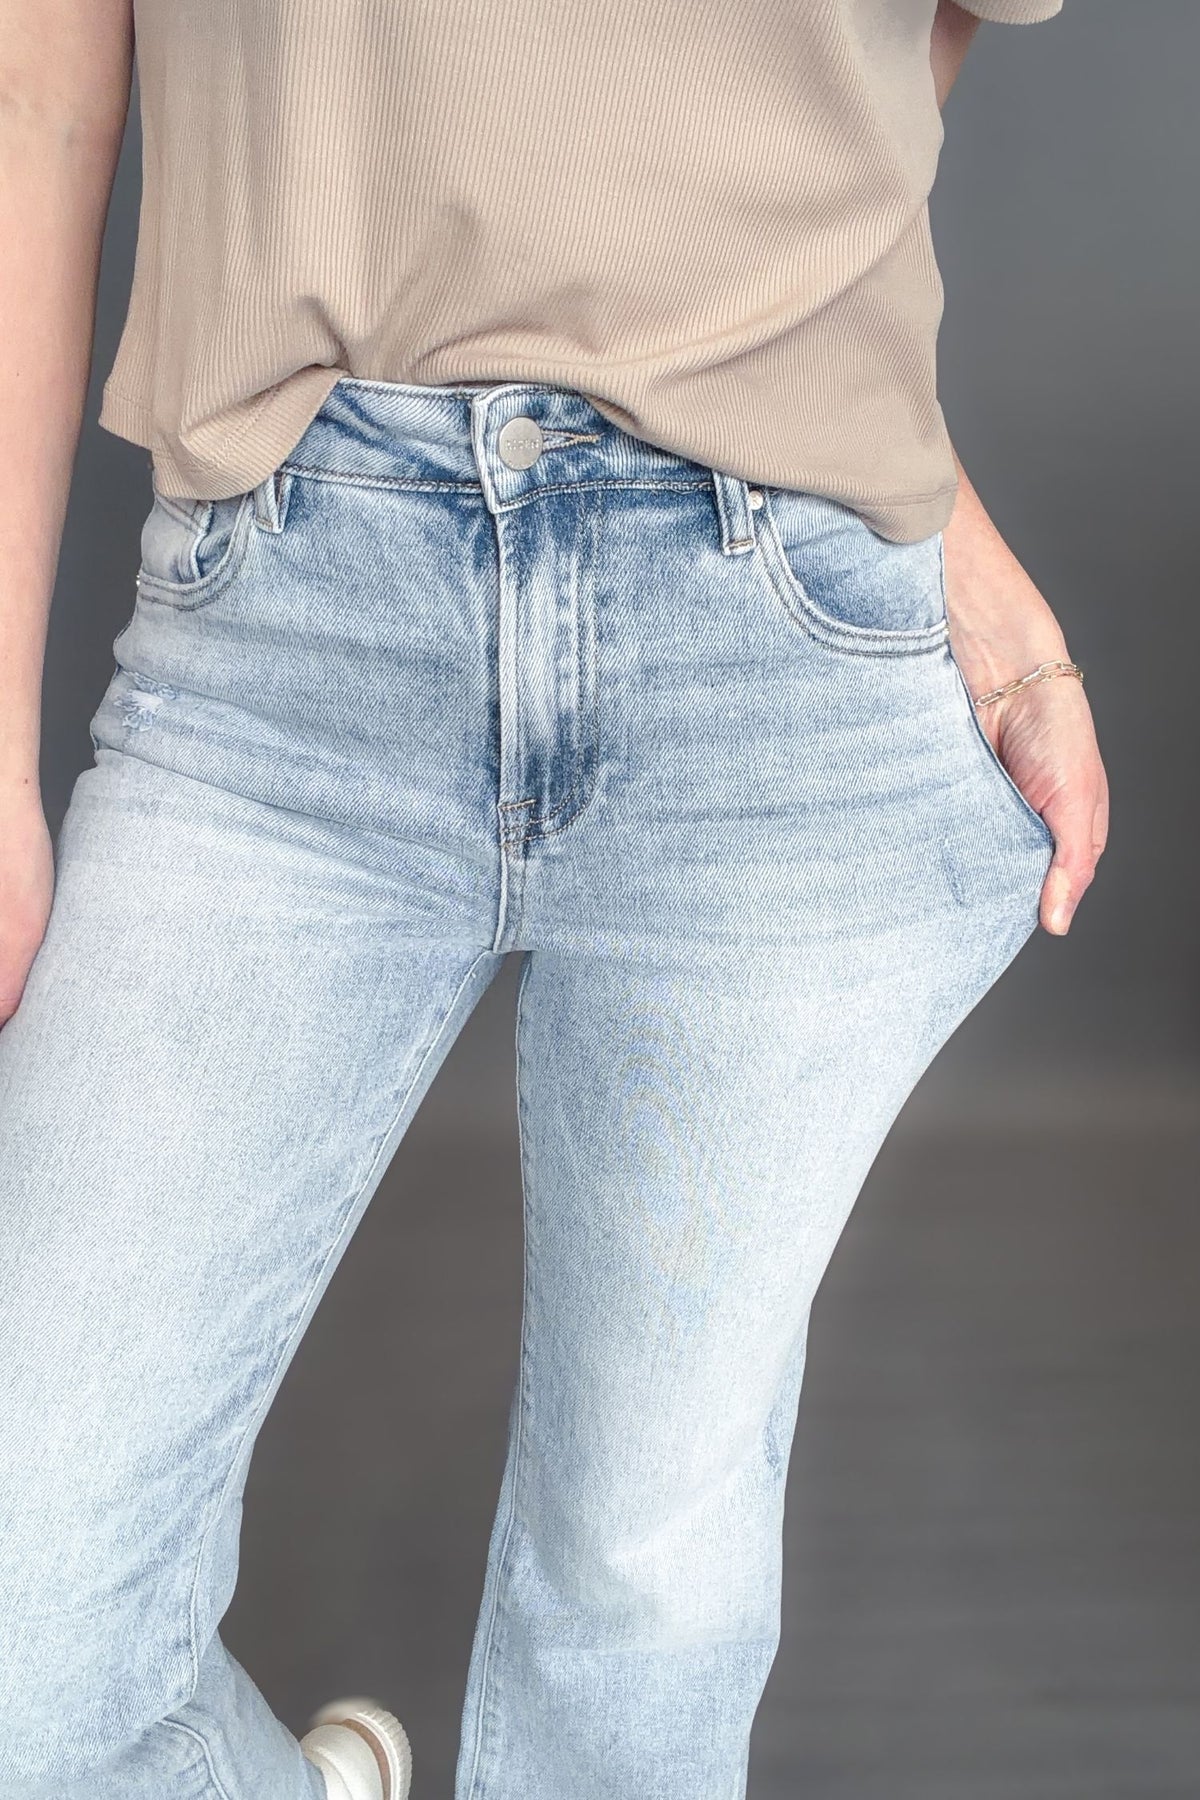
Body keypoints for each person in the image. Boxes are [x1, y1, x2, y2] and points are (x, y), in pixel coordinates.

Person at [0, 1, 1108, 1796]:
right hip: (283, 635)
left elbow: (890, 52)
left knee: (640, 1614)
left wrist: (879, 459)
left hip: (772, 642)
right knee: (20, 1627)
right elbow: (36, 87)